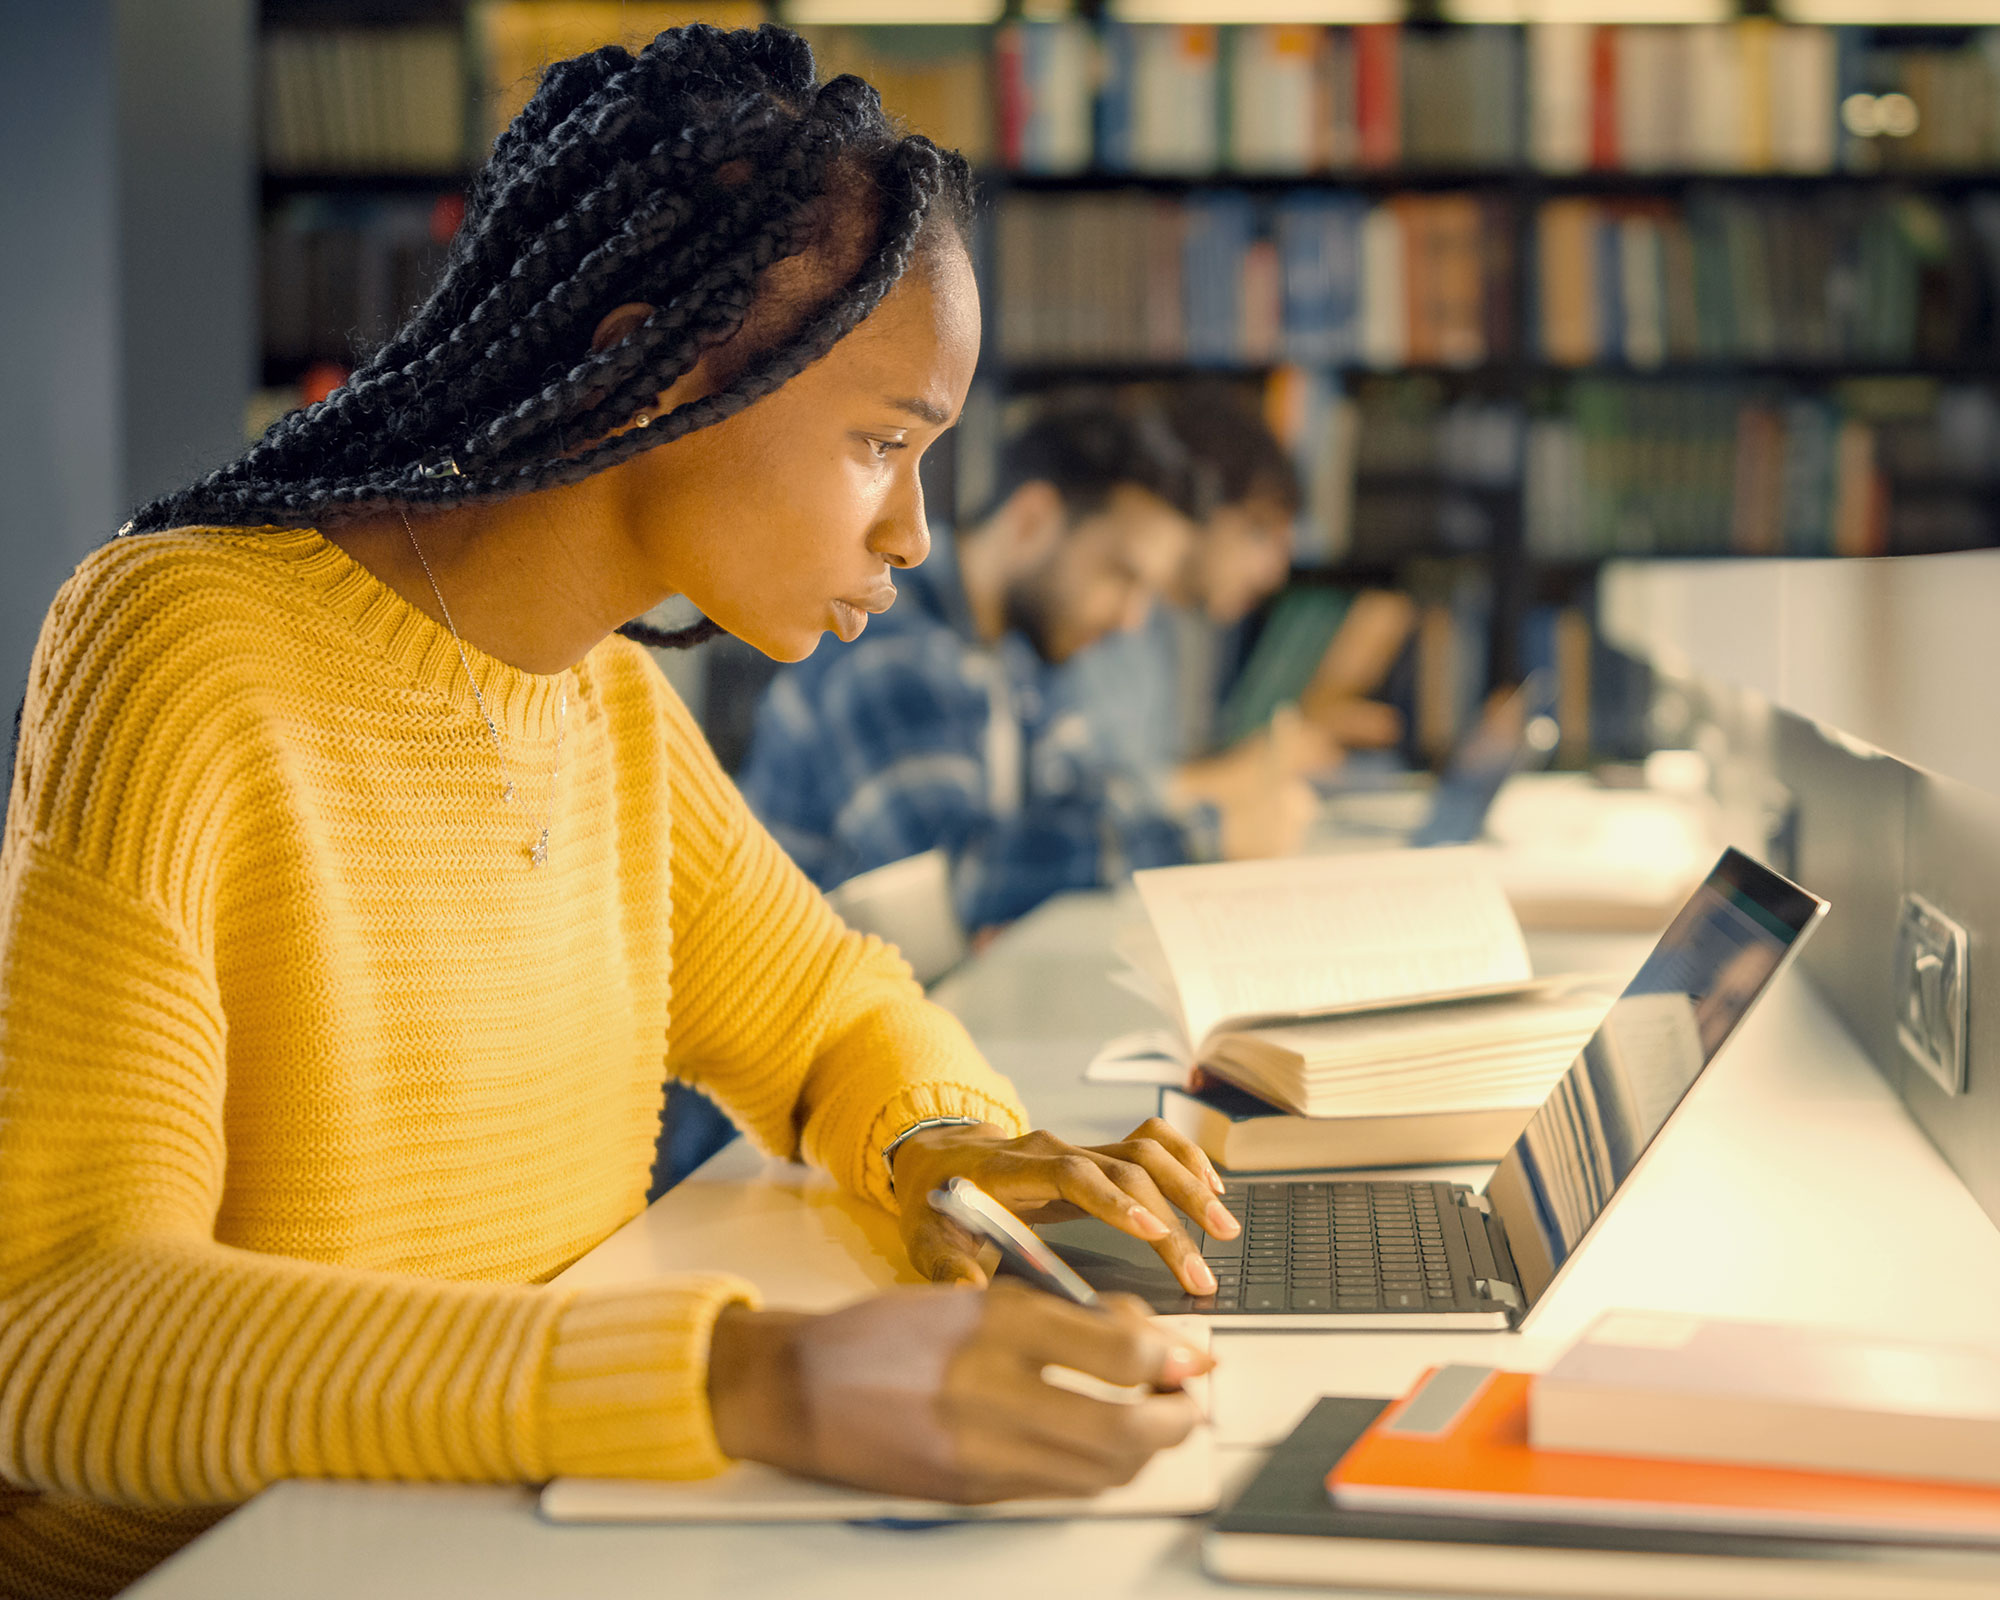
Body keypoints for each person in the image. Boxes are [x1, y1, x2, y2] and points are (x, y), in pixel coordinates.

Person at [0, 29, 1236, 1598]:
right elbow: (59, 1325)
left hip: (500, 1537)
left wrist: (947, 1151)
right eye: (884, 442)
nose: (919, 530)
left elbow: (834, 1009)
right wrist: (750, 1383)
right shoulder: (183, 649)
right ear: (663, 367)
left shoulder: (609, 707)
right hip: (236, 1561)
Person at [738, 398, 1313, 935]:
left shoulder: (1014, 654)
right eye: (1122, 575)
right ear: (1033, 520)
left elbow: (1089, 800)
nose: (1134, 620)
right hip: (794, 1028)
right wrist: (1209, 836)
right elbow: (950, 880)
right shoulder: (887, 647)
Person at [1062, 381, 1407, 822]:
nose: (1274, 572)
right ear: (1196, 501)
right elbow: (1111, 801)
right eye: (1258, 531)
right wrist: (1257, 769)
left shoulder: (1183, 628)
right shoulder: (1108, 618)